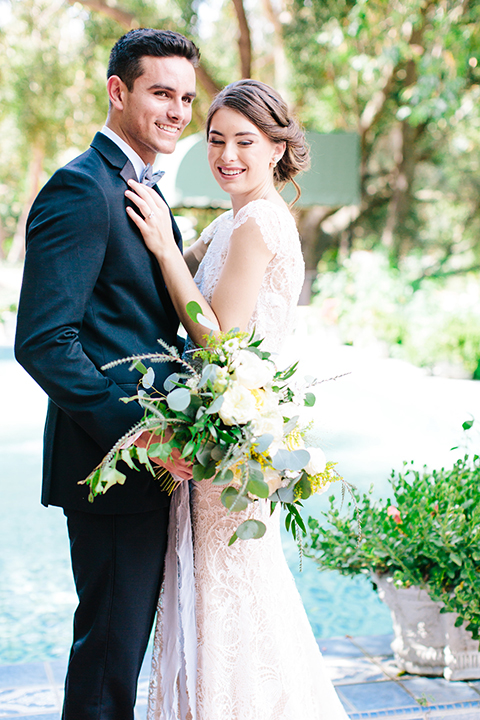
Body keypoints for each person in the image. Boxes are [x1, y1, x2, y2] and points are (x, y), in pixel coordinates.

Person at [126, 79, 350, 719]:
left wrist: (169, 248)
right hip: (227, 440)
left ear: (278, 148)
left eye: (245, 141)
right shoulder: (233, 221)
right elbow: (174, 282)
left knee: (232, 593)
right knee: (227, 589)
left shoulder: (258, 221)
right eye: (216, 139)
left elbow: (217, 334)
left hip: (233, 446)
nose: (227, 154)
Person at [14, 28, 199, 720]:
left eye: (185, 97)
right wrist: (140, 435)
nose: (177, 111)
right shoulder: (82, 189)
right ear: (119, 92)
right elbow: (44, 340)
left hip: (147, 467)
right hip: (110, 468)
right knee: (107, 661)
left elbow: (141, 325)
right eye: (160, 92)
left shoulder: (140, 188)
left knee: (118, 655)